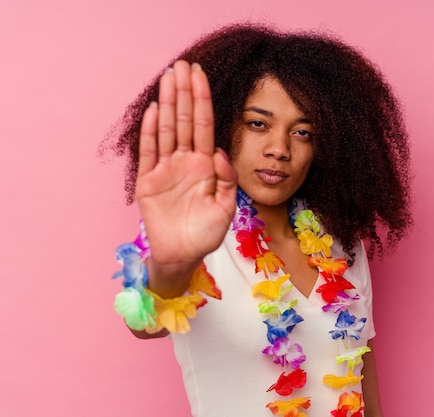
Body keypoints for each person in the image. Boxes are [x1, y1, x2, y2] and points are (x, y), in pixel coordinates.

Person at [106, 23, 412, 417]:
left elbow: (363, 383)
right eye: (258, 124)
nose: (279, 149)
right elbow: (145, 324)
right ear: (223, 125)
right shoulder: (192, 235)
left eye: (302, 132)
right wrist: (172, 264)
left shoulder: (342, 246)